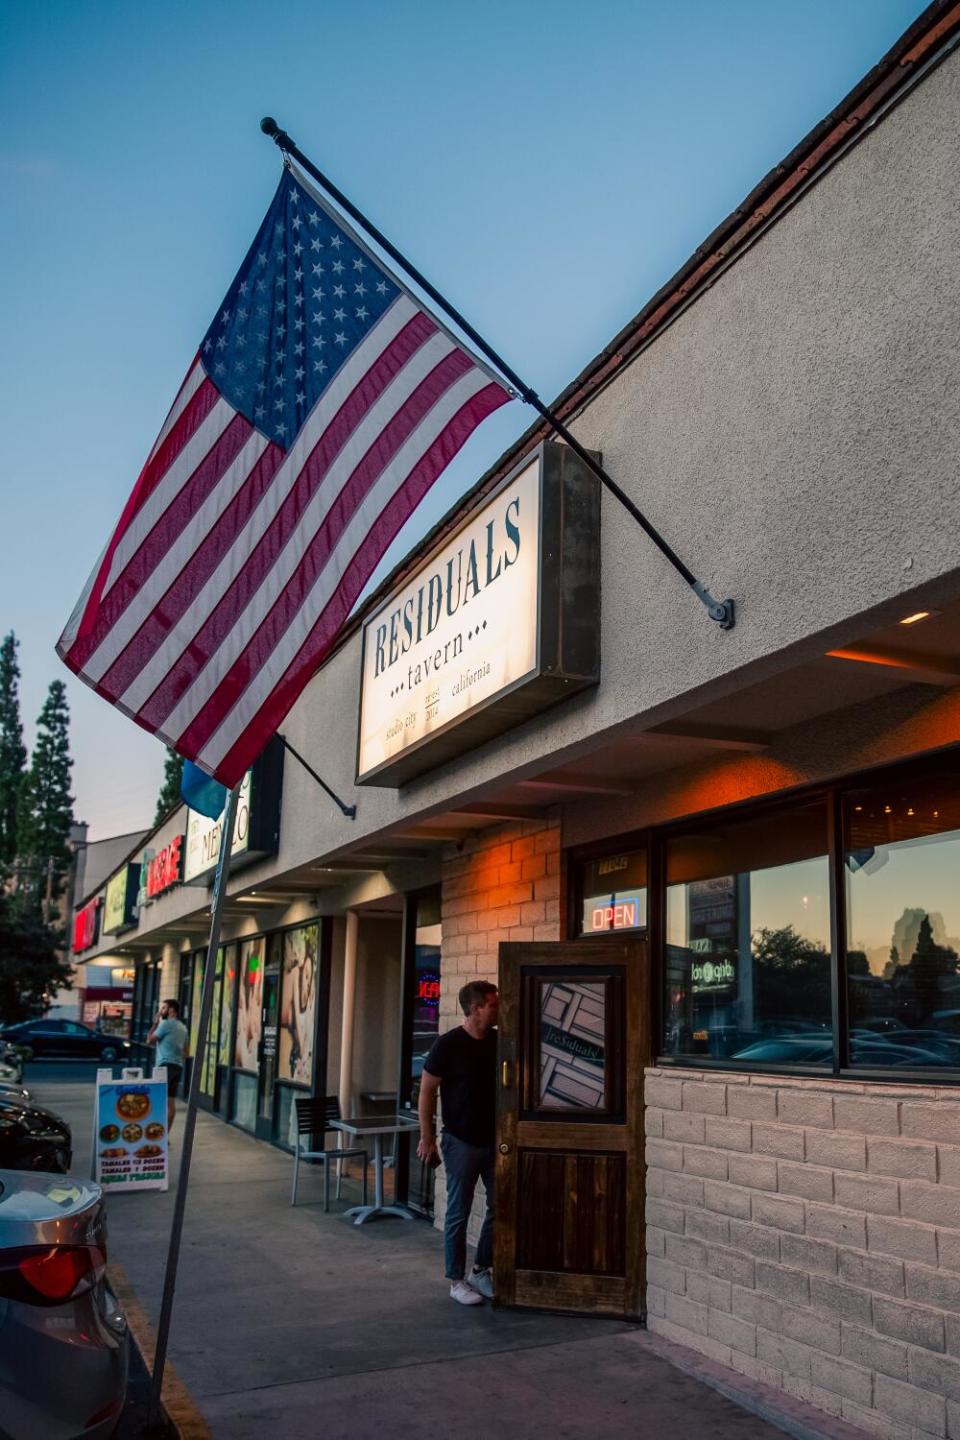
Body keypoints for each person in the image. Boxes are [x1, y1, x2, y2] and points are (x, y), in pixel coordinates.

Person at [417, 980, 498, 1306]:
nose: (498, 1008)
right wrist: (427, 1137)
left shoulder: (499, 1041)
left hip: (495, 1141)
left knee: (500, 1207)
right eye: (494, 1004)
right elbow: (426, 1091)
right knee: (458, 1212)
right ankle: (456, 1280)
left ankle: (481, 1269)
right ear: (477, 1007)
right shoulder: (448, 1045)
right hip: (460, 1141)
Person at [146, 999, 189, 1134]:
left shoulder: (165, 1025)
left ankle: (155, 1135)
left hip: (164, 1066)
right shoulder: (183, 1027)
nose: (161, 1011)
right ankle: (164, 1136)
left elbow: (149, 1040)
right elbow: (186, 1052)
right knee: (170, 1102)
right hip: (177, 1066)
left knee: (157, 1100)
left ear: (171, 1010)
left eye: (164, 1008)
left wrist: (154, 1023)